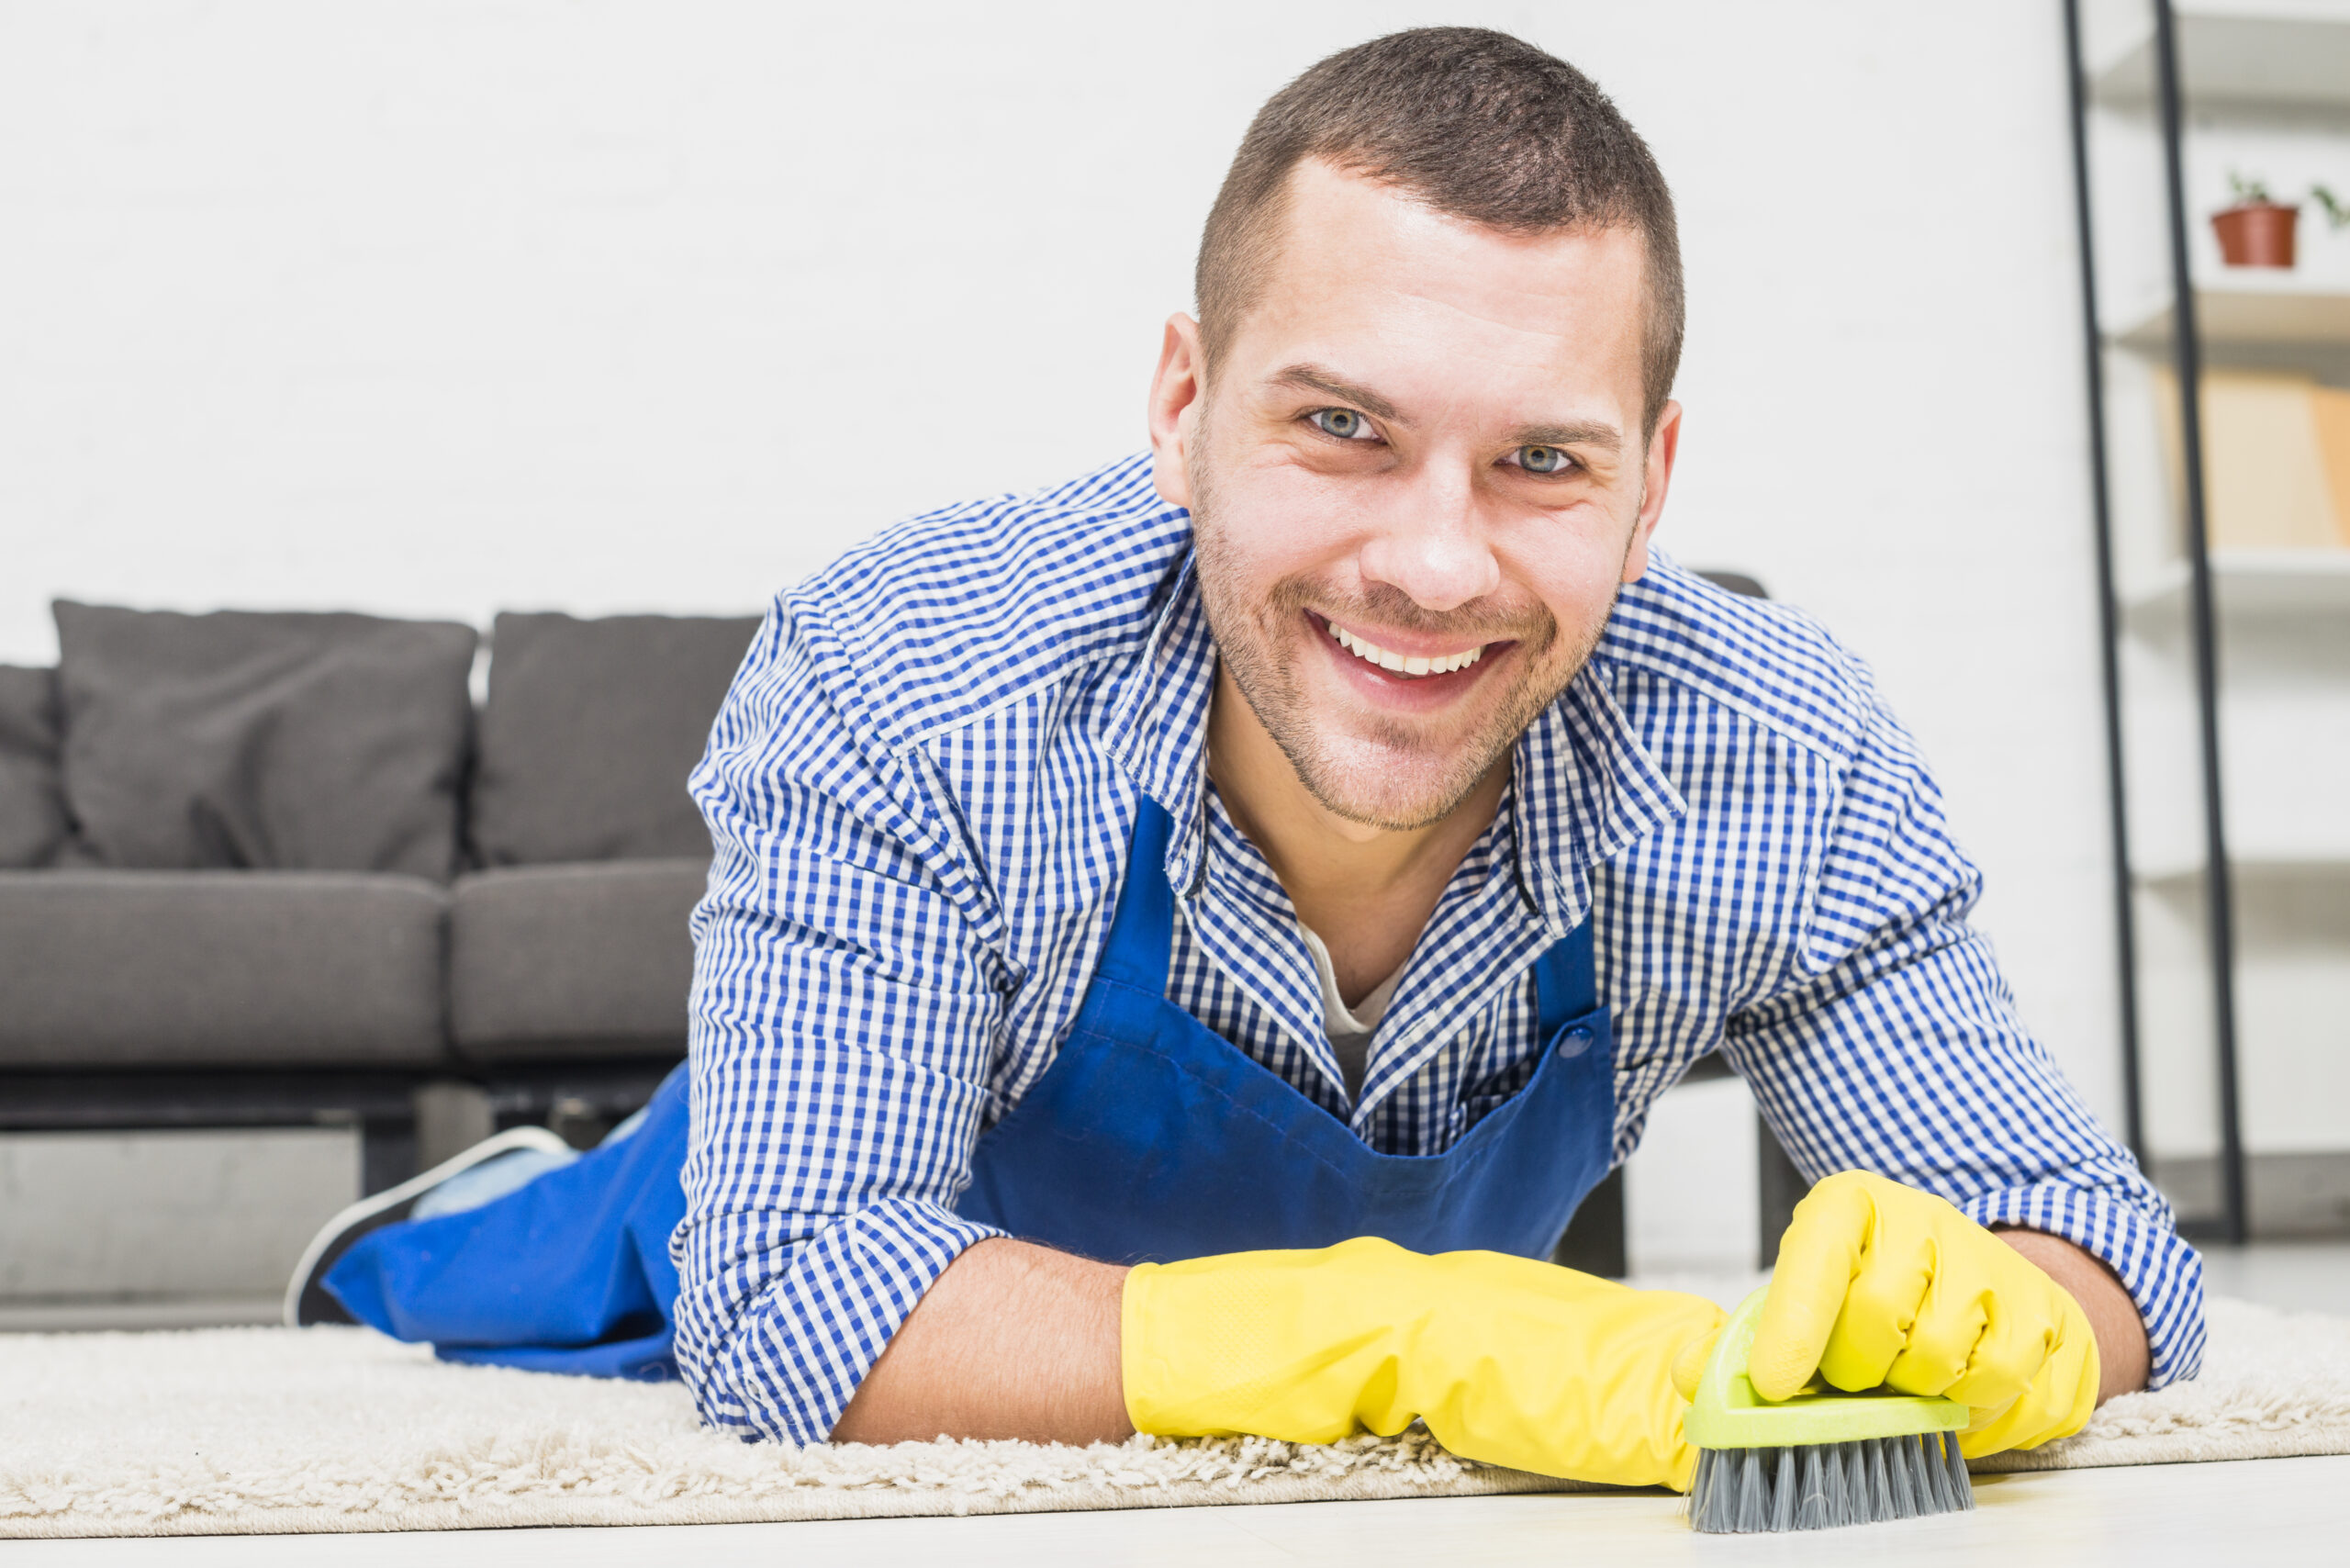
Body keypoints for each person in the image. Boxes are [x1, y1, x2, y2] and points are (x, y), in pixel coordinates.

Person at [297, 28, 2202, 1489]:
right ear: (1184, 405)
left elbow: (2107, 1243)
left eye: (1542, 460)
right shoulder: (911, 671)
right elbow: (791, 1295)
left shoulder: (1776, 756)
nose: (1434, 568)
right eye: (1342, 427)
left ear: (1650, 489)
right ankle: (474, 1205)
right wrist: (1389, 1330)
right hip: (761, 1183)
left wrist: (2011, 1316)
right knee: (532, 1264)